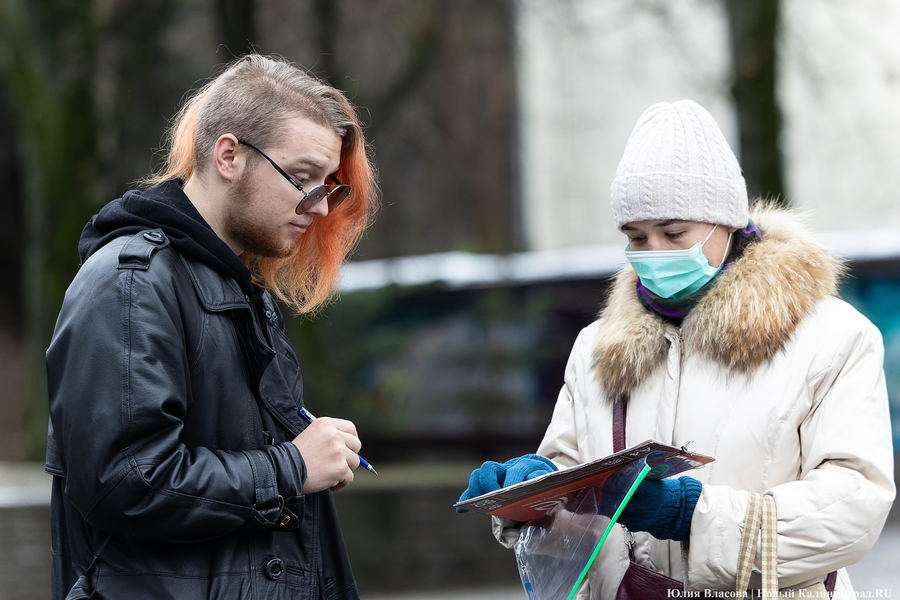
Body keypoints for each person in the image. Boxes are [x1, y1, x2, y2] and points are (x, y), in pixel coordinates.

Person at [458, 100, 895, 598]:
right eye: (635, 237)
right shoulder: (597, 348)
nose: (653, 254)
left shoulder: (832, 338)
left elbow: (852, 507)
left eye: (673, 233)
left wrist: (689, 513)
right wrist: (535, 490)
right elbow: (574, 502)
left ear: (725, 221)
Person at [44, 54, 379, 599]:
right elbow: (123, 480)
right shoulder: (131, 283)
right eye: (301, 178)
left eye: (327, 186)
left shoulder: (237, 285)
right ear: (229, 156)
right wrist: (292, 466)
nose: (319, 208)